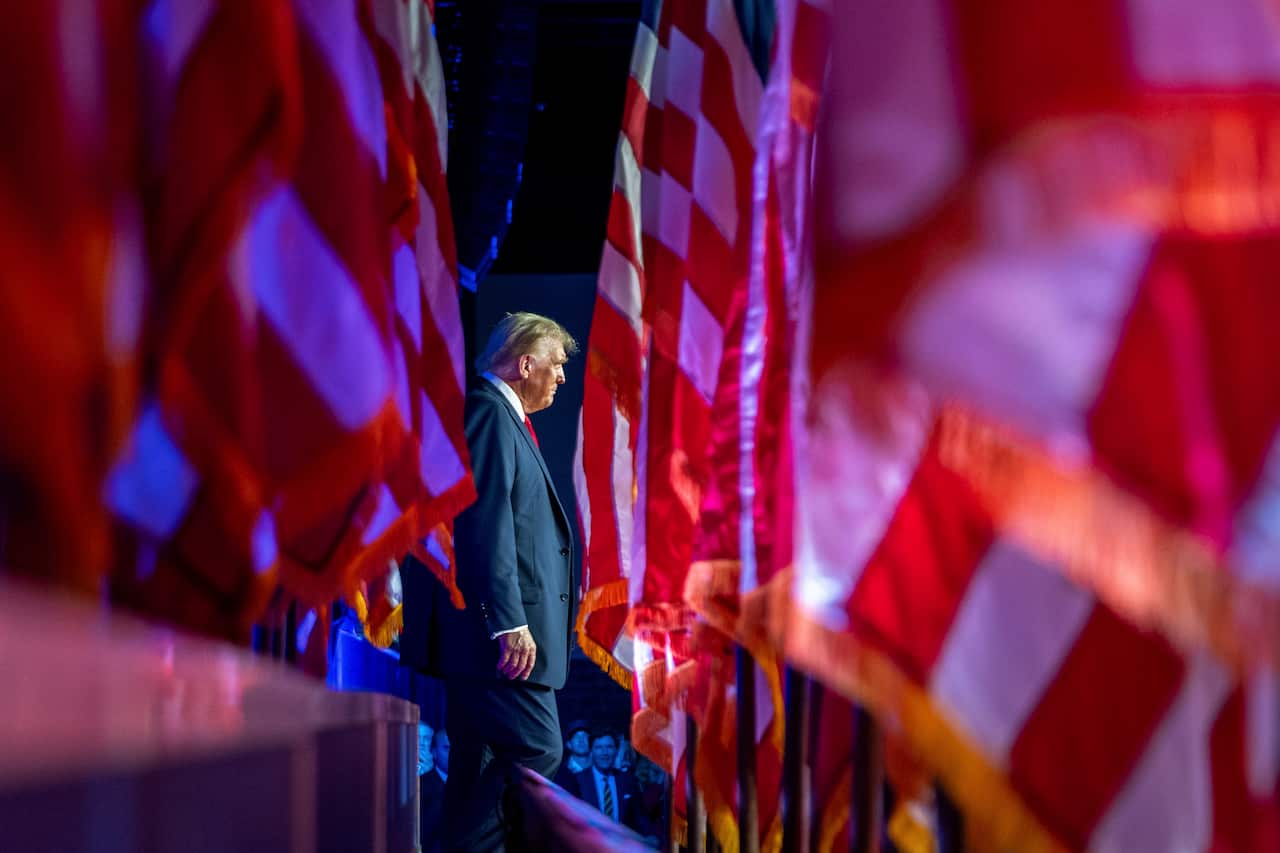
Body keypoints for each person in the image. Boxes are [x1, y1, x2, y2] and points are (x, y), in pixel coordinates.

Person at [437, 312, 578, 852]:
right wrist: (508, 623)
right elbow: (485, 524)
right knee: (539, 748)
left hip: (494, 643)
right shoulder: (490, 413)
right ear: (525, 364)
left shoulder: (505, 419)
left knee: (474, 766)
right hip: (501, 643)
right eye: (556, 364)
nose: (562, 376)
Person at [572, 731, 636, 829]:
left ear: (616, 751)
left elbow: (639, 815)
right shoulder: (577, 781)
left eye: (609, 747)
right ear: (591, 751)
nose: (604, 753)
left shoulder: (627, 780)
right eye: (599, 747)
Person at [420, 728, 450, 853]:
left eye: (457, 747)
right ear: (434, 752)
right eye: (447, 748)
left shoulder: (471, 784)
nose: (453, 753)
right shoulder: (421, 787)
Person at [553, 719, 592, 788]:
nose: (581, 740)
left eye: (585, 736)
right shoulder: (560, 773)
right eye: (576, 736)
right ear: (568, 744)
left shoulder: (600, 768)